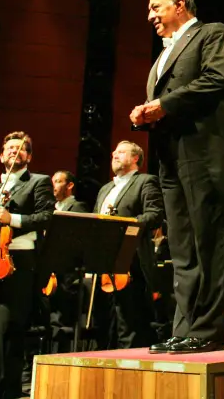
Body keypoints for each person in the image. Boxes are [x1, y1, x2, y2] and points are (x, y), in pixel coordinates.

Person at [130, 0, 224, 354]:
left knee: (207, 241)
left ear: (180, 5)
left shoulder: (212, 33)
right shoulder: (161, 55)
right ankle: (184, 328)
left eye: (156, 8)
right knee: (182, 248)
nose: (150, 16)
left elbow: (218, 79)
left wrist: (163, 105)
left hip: (202, 154)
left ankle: (208, 331)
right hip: (170, 158)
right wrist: (145, 115)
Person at [0, 132, 54, 399]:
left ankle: (9, 392)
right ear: (1, 155)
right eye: (10, 148)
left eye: (21, 148)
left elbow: (46, 217)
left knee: (8, 332)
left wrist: (11, 218)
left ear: (28, 156)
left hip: (16, 263)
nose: (14, 152)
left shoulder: (38, 182)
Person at [92, 141, 165, 349]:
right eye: (114, 151)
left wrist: (126, 225)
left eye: (122, 152)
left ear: (136, 159)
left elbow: (155, 214)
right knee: (106, 322)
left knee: (130, 322)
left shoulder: (145, 181)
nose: (115, 154)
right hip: (104, 261)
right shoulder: (105, 189)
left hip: (131, 260)